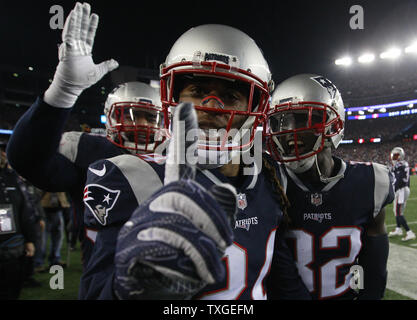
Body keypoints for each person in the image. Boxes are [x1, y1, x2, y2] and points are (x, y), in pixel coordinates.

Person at [78, 20, 309, 299]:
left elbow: (283, 282)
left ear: (255, 108)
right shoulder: (134, 178)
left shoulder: (270, 177)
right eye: (198, 92)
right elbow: (94, 291)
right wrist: (133, 286)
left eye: (231, 96)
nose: (211, 107)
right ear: (171, 97)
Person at [6, 3, 167, 269]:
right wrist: (63, 91)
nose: (140, 123)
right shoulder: (89, 151)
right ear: (111, 116)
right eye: (130, 114)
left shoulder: (174, 154)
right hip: (105, 280)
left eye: (150, 116)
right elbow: (24, 158)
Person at [264, 74, 394, 300]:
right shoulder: (269, 179)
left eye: (302, 118)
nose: (289, 131)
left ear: (333, 123)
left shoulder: (371, 181)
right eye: (281, 121)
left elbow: (371, 270)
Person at [0, 142, 37, 299]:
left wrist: (29, 239)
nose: (2, 154)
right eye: (0, 151)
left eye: (4, 151)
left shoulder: (13, 178)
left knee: (13, 288)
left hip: (12, 244)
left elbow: (25, 209)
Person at [388, 147, 416, 241]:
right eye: (394, 156)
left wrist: (392, 190)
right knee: (396, 211)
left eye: (396, 156)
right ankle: (398, 229)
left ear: (401, 156)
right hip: (403, 189)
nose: (394, 158)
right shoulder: (403, 164)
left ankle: (409, 232)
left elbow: (398, 180)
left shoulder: (400, 165)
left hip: (401, 190)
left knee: (398, 212)